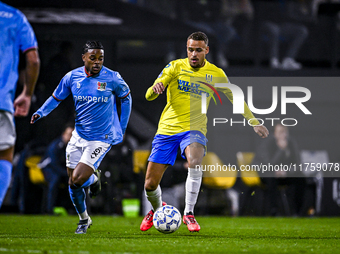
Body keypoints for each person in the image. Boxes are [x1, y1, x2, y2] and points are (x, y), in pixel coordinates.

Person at [140, 31, 269, 232]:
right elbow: (149, 95)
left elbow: (235, 98)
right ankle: (157, 210)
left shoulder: (216, 74)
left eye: (198, 50)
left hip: (194, 129)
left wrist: (254, 122)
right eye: (190, 49)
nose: (193, 54)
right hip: (167, 130)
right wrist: (154, 90)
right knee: (149, 184)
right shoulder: (174, 66)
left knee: (195, 159)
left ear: (206, 51)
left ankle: (189, 214)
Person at [30, 41, 132, 234]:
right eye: (92, 58)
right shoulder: (72, 77)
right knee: (73, 183)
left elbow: (126, 97)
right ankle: (84, 218)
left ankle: (92, 179)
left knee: (76, 179)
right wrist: (41, 112)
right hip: (78, 136)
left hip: (101, 138)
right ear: (84, 57)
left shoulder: (112, 78)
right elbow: (56, 97)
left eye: (100, 58)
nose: (97, 62)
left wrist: (122, 126)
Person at [0, 1, 40, 208]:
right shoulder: (15, 17)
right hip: (2, 101)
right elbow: (33, 60)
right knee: (4, 155)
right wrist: (27, 93)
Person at [255, 123, 305, 216]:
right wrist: (281, 150)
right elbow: (267, 165)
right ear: (274, 133)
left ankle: (297, 212)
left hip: (285, 175)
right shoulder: (267, 143)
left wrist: (286, 172)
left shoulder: (291, 143)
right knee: (272, 178)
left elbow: (298, 164)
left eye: (285, 132)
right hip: (268, 174)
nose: (283, 135)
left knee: (300, 178)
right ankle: (274, 211)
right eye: (280, 132)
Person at [39, 124, 74, 214]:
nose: (71, 137)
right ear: (63, 135)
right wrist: (67, 174)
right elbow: (54, 164)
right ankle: (49, 209)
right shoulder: (55, 146)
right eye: (69, 134)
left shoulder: (72, 147)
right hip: (48, 169)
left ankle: (72, 209)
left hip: (61, 171)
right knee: (55, 180)